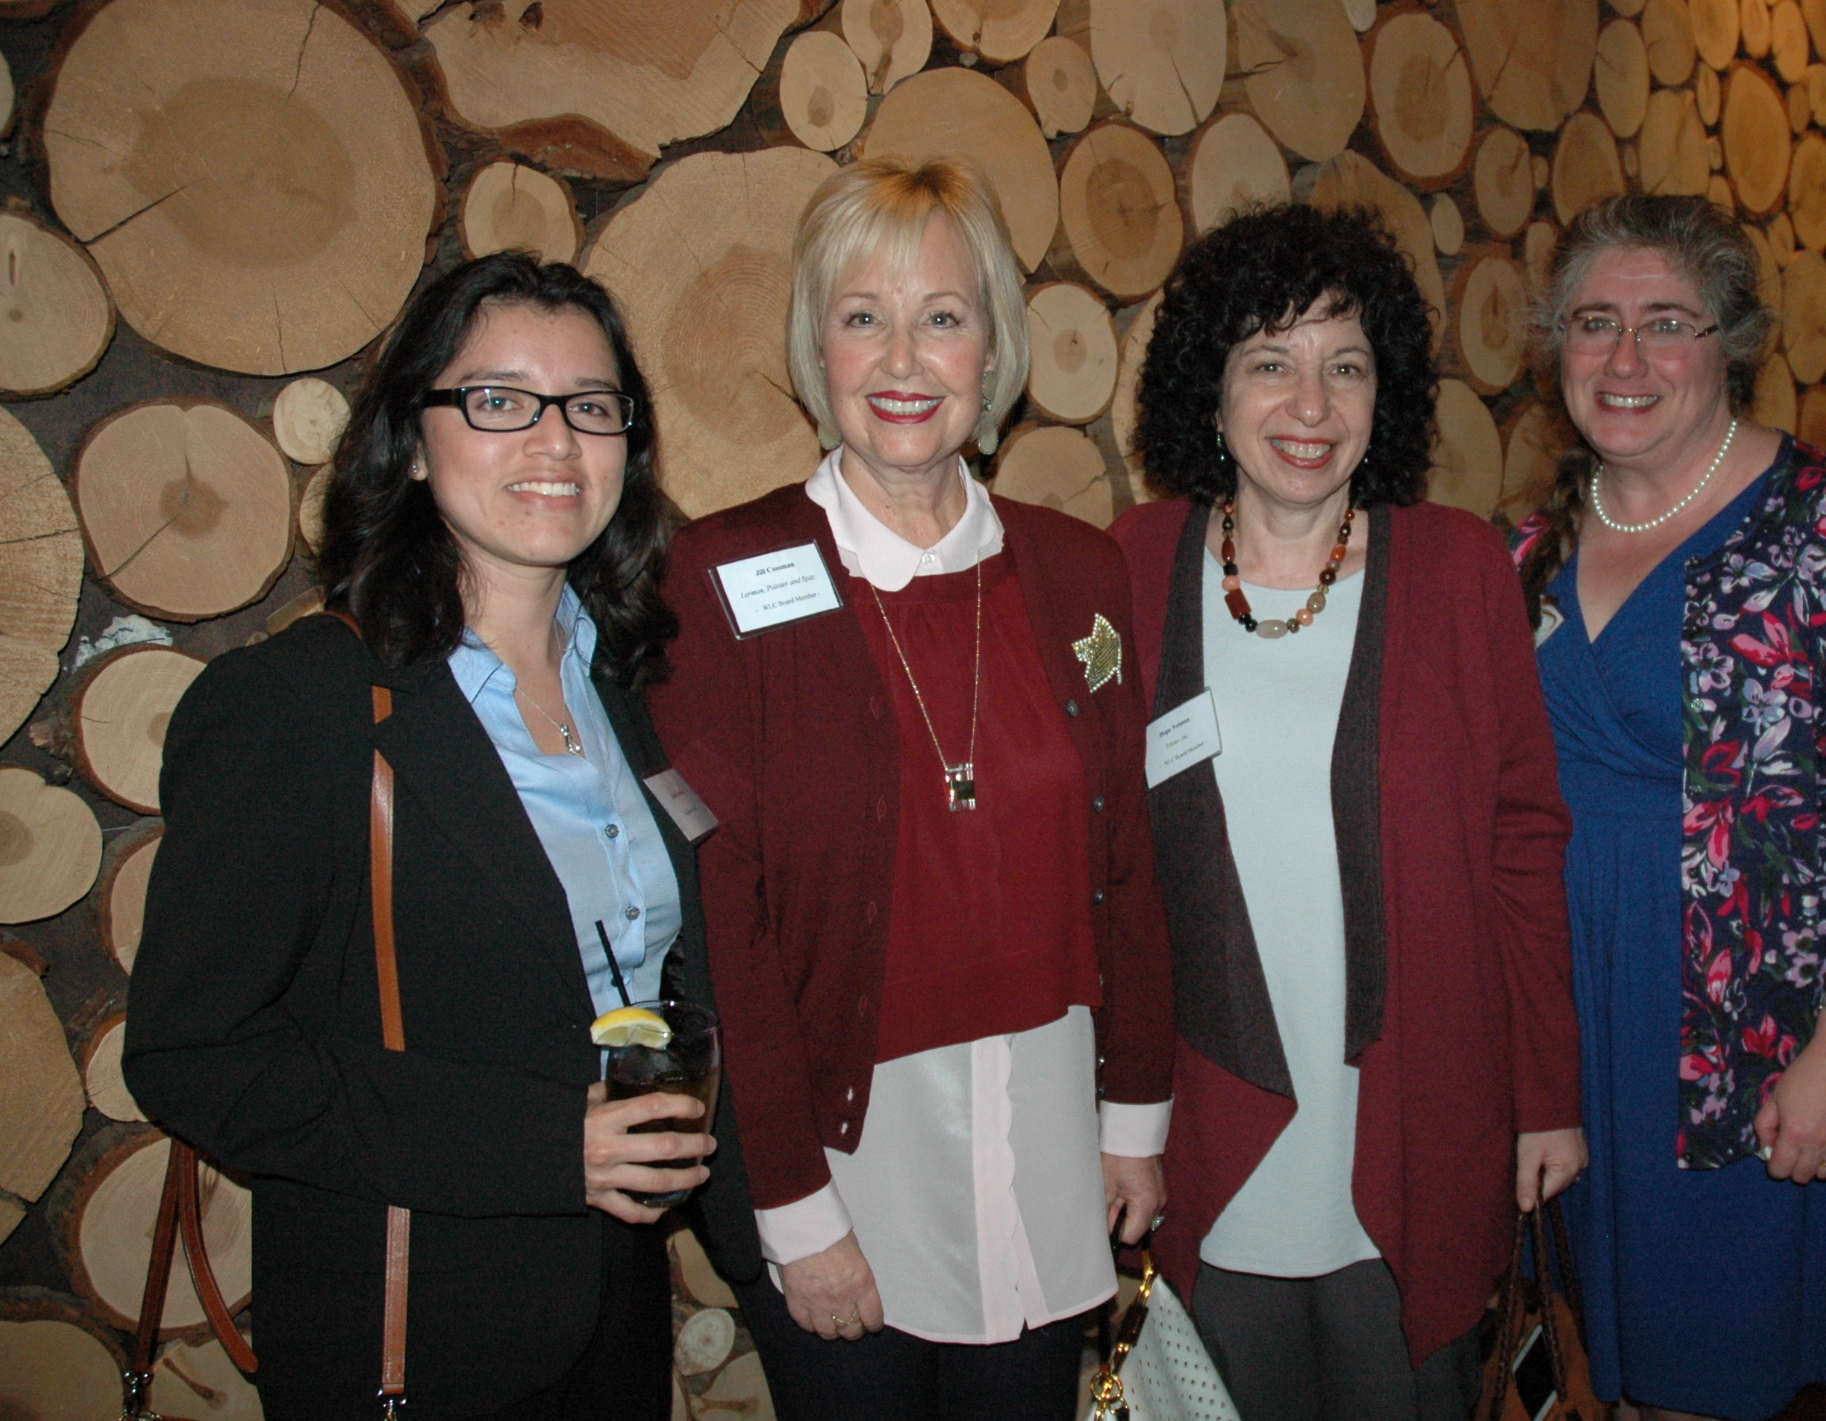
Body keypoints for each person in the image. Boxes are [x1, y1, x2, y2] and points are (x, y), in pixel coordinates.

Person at [125, 254, 752, 1419]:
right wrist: (544, 1146)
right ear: (411, 440)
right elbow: (194, 1057)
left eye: (590, 406)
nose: (554, 441)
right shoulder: (301, 706)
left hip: (615, 1316)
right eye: (499, 400)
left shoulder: (628, 683)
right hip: (418, 1335)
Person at [648, 156, 1173, 1421]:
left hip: (1049, 1134)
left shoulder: (1078, 571)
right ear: (813, 346)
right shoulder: (719, 580)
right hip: (845, 1153)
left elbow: (1128, 862)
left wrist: (1133, 1118)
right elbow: (726, 925)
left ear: (991, 350)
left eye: (940, 316)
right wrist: (790, 1204)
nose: (901, 359)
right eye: (860, 316)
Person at [1108, 203, 1586, 1421]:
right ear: (1210, 388)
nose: (1309, 406)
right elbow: (1095, 865)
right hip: (1206, 1120)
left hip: (1415, 1113)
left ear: (1387, 393)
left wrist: (1545, 1096)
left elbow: (1522, 848)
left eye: (1346, 365)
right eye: (1269, 361)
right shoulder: (1131, 567)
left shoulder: (1459, 572)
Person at [1511, 193, 1826, 1421]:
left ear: (1730, 343)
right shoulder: (1529, 544)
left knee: (1702, 1382)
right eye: (1593, 323)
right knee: (1597, 1373)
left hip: (1740, 1043)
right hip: (1566, 1028)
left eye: (1666, 323)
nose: (1624, 358)